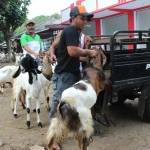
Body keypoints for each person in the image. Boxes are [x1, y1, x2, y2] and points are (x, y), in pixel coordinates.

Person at [48, 5, 98, 119]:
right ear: (73, 18)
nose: (85, 21)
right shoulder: (70, 30)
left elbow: (72, 55)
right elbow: (72, 51)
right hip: (65, 73)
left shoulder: (79, 33)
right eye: (82, 18)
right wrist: (89, 52)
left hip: (73, 72)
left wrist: (86, 57)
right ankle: (54, 126)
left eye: (86, 19)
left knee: (73, 99)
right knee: (61, 100)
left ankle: (70, 124)